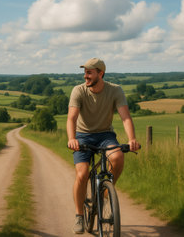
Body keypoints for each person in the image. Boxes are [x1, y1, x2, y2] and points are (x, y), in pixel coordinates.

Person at [67, 58, 140, 234]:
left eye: (89, 72)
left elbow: (125, 117)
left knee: (117, 157)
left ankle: (105, 193)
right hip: (82, 135)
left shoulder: (115, 90)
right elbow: (72, 118)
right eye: (85, 72)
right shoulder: (79, 91)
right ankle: (79, 216)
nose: (86, 76)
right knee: (82, 174)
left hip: (105, 134)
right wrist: (72, 138)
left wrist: (132, 139)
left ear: (101, 73)